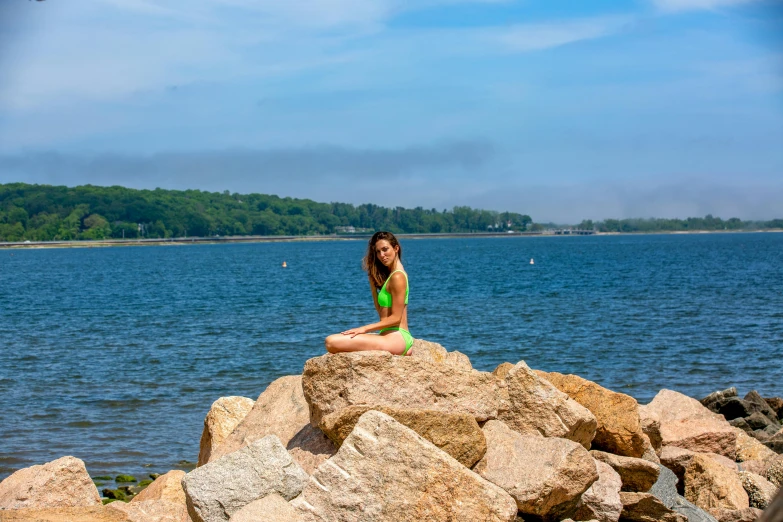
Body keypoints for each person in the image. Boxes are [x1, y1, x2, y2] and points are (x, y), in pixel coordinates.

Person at [325, 231, 413, 356]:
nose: (382, 255)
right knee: (333, 341)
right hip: (388, 335)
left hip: (397, 337)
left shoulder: (398, 276)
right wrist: (373, 287)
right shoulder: (392, 275)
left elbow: (395, 318)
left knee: (331, 341)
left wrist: (363, 329)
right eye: (378, 252)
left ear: (396, 248)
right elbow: (382, 312)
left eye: (385, 249)